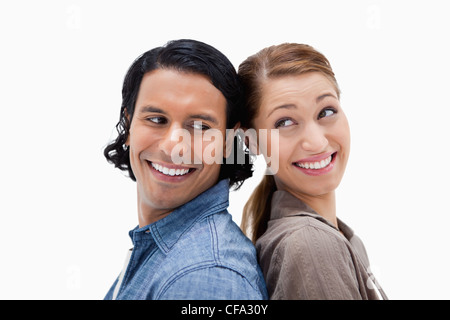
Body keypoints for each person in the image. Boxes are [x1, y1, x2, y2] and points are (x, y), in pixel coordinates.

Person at [103, 39, 267, 300]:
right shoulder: (163, 249)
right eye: (156, 120)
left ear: (228, 142)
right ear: (128, 125)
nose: (173, 146)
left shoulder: (205, 277)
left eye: (200, 127)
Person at [238, 43, 387, 300]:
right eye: (285, 122)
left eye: (326, 111)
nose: (316, 142)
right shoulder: (311, 244)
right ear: (251, 141)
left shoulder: (340, 238)